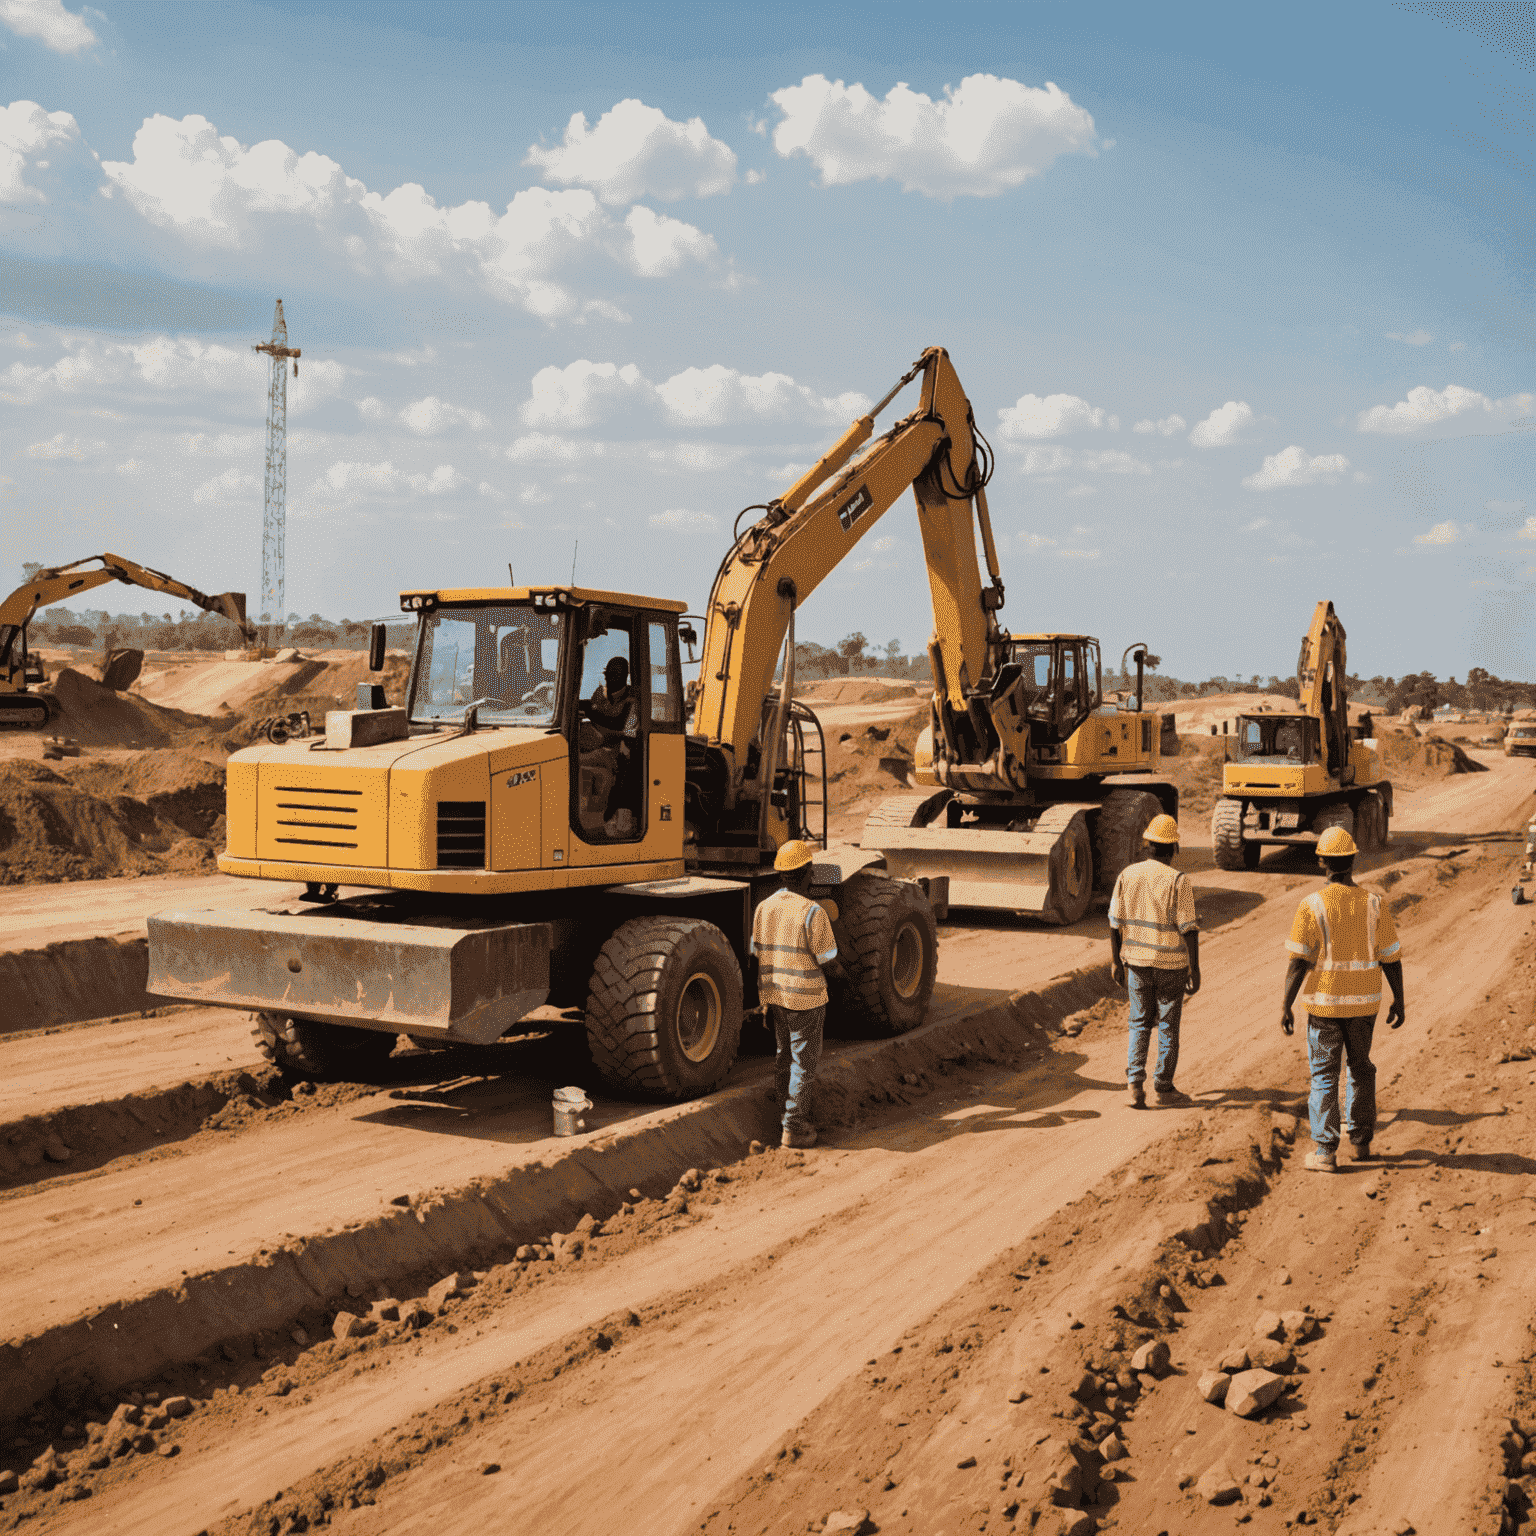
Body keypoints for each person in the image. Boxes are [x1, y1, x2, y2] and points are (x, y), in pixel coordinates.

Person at [1281, 823, 1405, 1171]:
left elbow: (1298, 961)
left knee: (1324, 1077)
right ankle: (1362, 1143)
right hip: (1365, 1006)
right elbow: (1391, 956)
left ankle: (1325, 1153)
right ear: (1353, 860)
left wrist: (1286, 1004)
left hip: (1324, 1006)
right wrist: (1399, 998)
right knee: (1361, 1070)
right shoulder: (1373, 904)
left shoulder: (1311, 905)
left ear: (1321, 861)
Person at [1108, 813, 1201, 1108]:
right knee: (1167, 1026)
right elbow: (1188, 928)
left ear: (1147, 845)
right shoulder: (1178, 880)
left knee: (1138, 1023)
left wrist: (1115, 961)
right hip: (1171, 966)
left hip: (1135, 962)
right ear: (1174, 848)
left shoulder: (1127, 875)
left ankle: (1135, 1086)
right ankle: (1164, 1087)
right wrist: (1194, 967)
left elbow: (1114, 922)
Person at [750, 839, 838, 1149]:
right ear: (808, 872)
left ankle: (784, 1114)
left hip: (775, 998)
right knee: (804, 1063)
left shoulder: (764, 908)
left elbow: (756, 952)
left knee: (783, 1057)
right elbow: (829, 960)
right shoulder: (812, 912)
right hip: (806, 999)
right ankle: (795, 1126)